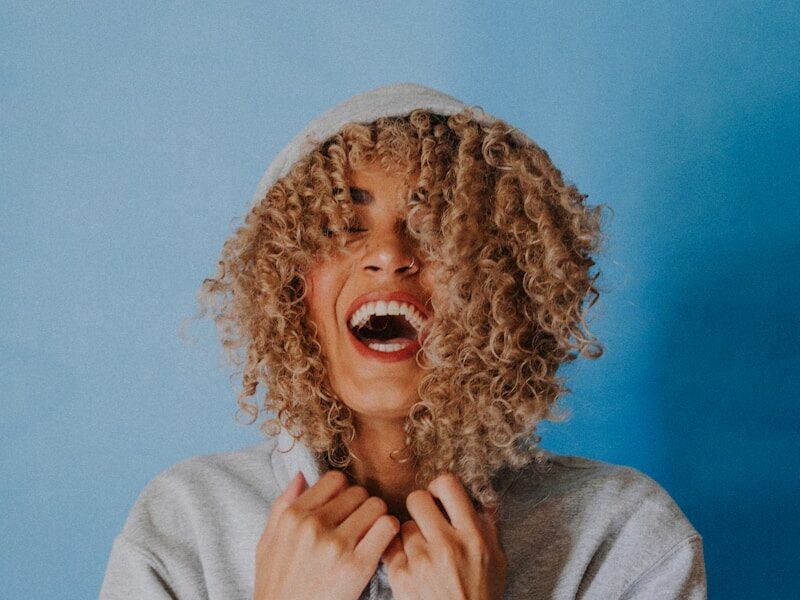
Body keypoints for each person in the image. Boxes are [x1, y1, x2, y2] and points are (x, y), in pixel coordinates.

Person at [100, 83, 707, 599]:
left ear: (511, 281)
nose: (389, 255)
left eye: (436, 226)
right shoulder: (183, 527)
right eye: (342, 227)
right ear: (286, 285)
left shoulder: (626, 538)